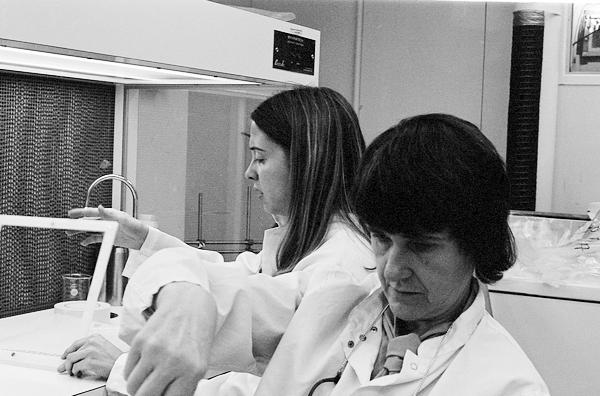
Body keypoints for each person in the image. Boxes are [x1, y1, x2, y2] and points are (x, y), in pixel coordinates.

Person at [115, 113, 550, 396]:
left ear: (477, 244)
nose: (392, 270)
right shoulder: (337, 301)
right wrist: (187, 300)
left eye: (421, 246)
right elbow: (201, 284)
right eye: (381, 239)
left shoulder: (506, 384)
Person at [58, 87, 375, 393]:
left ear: (308, 164)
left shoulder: (342, 267)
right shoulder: (307, 243)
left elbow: (280, 388)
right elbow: (232, 283)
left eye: (260, 158)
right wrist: (143, 241)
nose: (249, 173)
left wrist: (128, 369)